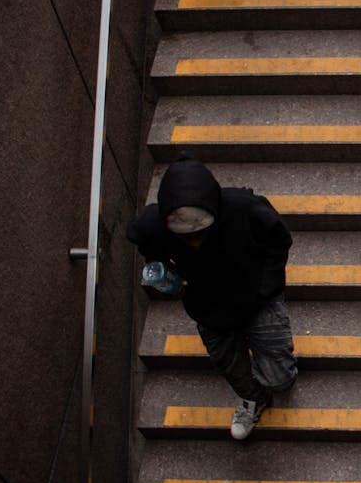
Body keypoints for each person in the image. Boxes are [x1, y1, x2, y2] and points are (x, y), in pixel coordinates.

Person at [127, 154, 296, 439]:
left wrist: (266, 290)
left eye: (201, 232)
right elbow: (150, 250)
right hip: (208, 309)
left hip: (257, 301)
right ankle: (252, 399)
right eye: (186, 237)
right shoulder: (151, 227)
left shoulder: (244, 208)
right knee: (230, 366)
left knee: (280, 379)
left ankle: (271, 374)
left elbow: (279, 241)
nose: (195, 242)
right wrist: (169, 277)